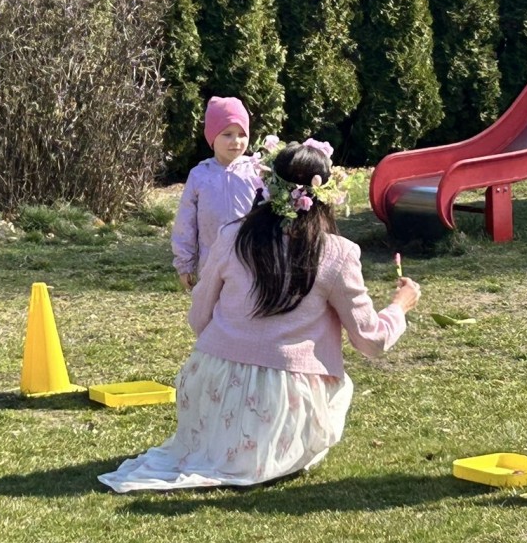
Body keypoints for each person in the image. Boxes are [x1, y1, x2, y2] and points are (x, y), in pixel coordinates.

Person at [99, 139, 422, 492]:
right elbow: (371, 341)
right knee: (340, 389)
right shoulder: (337, 253)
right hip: (280, 400)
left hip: (211, 381)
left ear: (268, 185)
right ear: (326, 194)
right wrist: (400, 305)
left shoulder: (232, 236)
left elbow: (199, 318)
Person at [171, 96, 262, 291]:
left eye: (242, 134)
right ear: (212, 137)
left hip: (251, 263)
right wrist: (184, 263)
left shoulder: (256, 172)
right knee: (211, 307)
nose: (236, 141)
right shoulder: (200, 175)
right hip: (211, 263)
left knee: (247, 306)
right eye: (227, 134)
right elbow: (186, 222)